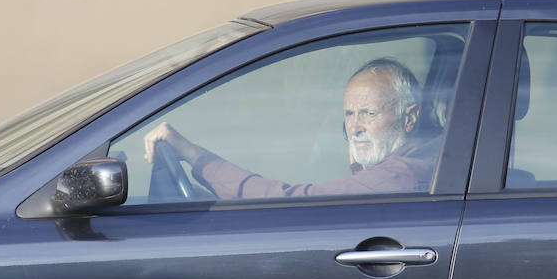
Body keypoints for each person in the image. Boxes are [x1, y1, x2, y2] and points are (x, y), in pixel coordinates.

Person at [143, 58, 438, 198]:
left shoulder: (400, 175)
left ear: (409, 118)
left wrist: (194, 155)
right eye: (349, 114)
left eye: (369, 113)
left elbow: (291, 201)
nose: (354, 128)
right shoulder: (413, 162)